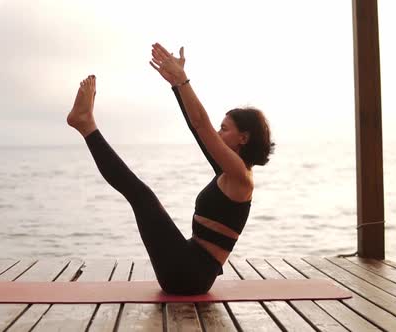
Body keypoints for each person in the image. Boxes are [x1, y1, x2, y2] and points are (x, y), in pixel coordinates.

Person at [66, 43, 275, 295]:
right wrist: (176, 86)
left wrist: (183, 80)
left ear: (243, 138)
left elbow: (201, 125)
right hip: (187, 270)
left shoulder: (240, 176)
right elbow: (196, 127)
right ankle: (86, 125)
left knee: (141, 196)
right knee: (141, 196)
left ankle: (86, 125)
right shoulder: (229, 172)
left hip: (188, 274)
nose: (218, 133)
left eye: (225, 129)